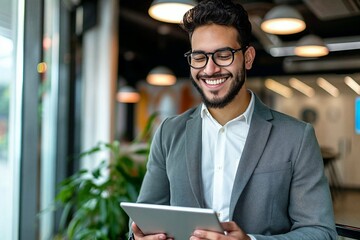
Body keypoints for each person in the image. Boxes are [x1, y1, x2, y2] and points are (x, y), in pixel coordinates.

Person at [130, 0, 337, 239]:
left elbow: (321, 232)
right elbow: (145, 215)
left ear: (247, 58)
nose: (210, 69)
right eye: (199, 57)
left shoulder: (296, 137)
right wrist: (139, 236)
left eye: (223, 55)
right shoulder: (169, 132)